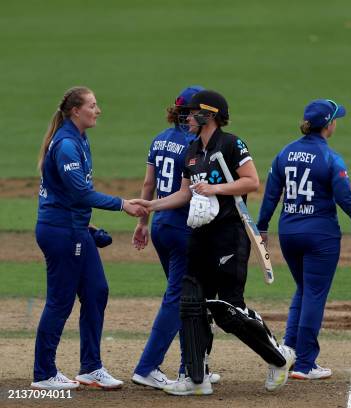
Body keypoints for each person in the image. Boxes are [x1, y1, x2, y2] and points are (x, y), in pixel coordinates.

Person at [134, 89, 295, 396]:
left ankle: (278, 358)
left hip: (229, 235)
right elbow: (184, 194)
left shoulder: (232, 143)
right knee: (191, 302)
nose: (187, 118)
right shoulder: (192, 149)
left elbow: (251, 181)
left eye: (192, 113)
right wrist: (150, 206)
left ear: (208, 115)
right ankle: (197, 378)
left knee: (227, 310)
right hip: (198, 235)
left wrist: (215, 188)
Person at [32, 86, 146, 390]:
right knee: (60, 301)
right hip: (61, 233)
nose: (98, 110)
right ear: (75, 111)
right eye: (93, 105)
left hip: (74, 228)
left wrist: (89, 226)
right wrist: (123, 205)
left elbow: (66, 196)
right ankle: (44, 373)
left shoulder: (80, 138)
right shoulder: (67, 144)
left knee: (96, 292)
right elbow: (80, 193)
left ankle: (90, 368)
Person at [256, 99, 351, 380]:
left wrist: (261, 226)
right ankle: (306, 363)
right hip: (320, 235)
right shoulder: (330, 158)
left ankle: (288, 350)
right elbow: (344, 196)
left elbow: (271, 194)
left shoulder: (284, 153)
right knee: (313, 295)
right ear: (329, 125)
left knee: (303, 289)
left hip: (289, 233)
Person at [130, 86, 221, 389]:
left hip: (160, 227)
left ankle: (191, 366)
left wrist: (143, 223)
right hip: (183, 229)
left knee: (186, 299)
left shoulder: (159, 138)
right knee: (180, 299)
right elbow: (194, 193)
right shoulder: (195, 144)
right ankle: (147, 366)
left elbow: (148, 183)